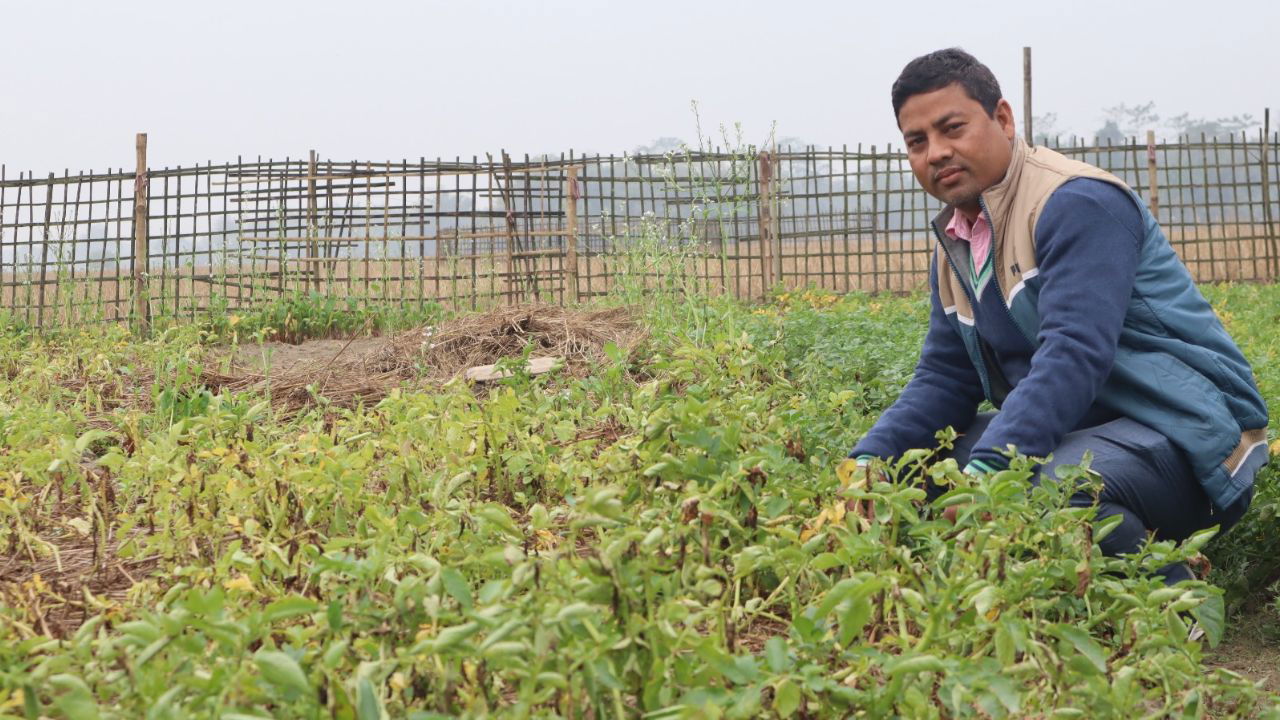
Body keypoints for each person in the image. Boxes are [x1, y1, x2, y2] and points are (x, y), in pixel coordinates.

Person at [846, 48, 1268, 585]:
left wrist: (994, 466)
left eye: (952, 128)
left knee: (1051, 483)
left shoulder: (1075, 202)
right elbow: (944, 375)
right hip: (1082, 436)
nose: (937, 152)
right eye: (917, 141)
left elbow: (1074, 352)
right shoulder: (958, 238)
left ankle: (1170, 603)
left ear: (1002, 118)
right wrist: (869, 463)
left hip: (1185, 436)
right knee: (915, 470)